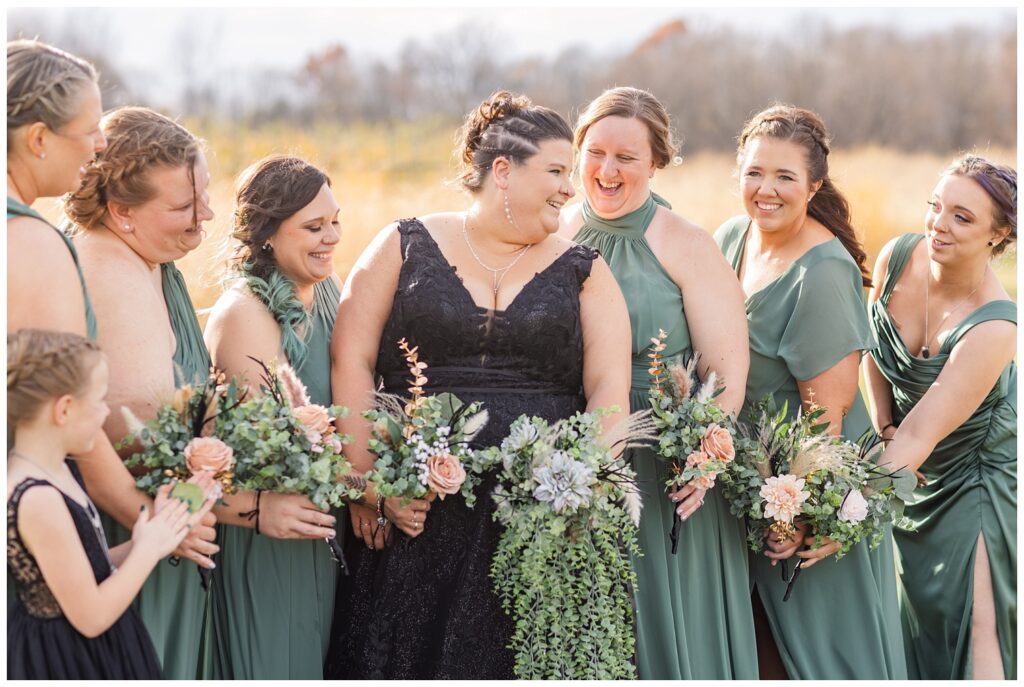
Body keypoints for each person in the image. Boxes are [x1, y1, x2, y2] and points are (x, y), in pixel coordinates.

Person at [325, 90, 630, 679]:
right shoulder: (401, 245)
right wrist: (365, 485)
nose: (571, 188)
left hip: (538, 523)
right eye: (556, 172)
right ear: (503, 171)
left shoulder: (585, 269)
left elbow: (609, 391)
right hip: (417, 512)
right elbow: (352, 361)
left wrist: (578, 497)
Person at [6, 39, 217, 621]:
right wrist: (151, 520)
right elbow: (75, 408)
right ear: (39, 138)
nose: (100, 145)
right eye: (88, 129)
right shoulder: (32, 244)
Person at [561, 86, 755, 680]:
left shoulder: (686, 244)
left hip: (661, 458)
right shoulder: (557, 228)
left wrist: (702, 459)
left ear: (656, 162)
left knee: (666, 636)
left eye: (627, 157)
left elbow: (726, 374)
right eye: (595, 152)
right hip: (572, 451)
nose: (607, 170)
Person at [714, 104, 906, 679]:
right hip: (746, 477)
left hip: (804, 487)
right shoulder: (731, 238)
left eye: (784, 177)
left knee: (813, 656)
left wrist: (800, 512)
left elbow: (827, 416)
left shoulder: (822, 271)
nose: (765, 190)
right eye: (754, 173)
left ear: (814, 185)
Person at [63, 106, 218, 679]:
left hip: (169, 520)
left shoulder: (152, 261)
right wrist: (167, 525)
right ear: (121, 212)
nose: (206, 217)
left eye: (203, 196)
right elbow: (125, 436)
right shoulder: (107, 274)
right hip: (133, 525)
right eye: (183, 207)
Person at [865, 155, 1016, 680]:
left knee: (978, 622)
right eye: (936, 206)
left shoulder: (995, 325)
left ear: (998, 236)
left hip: (977, 475)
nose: (938, 225)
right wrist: (882, 425)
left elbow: (923, 430)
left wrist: (851, 508)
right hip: (906, 462)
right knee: (921, 618)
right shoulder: (896, 257)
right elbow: (874, 352)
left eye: (963, 217)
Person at [203, 155, 344, 678]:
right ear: (267, 235)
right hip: (271, 535)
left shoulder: (327, 287)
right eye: (313, 227)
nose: (331, 237)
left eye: (335, 220)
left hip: (324, 528)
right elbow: (269, 452)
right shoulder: (244, 315)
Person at [7, 329, 211, 679]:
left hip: (95, 644)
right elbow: (91, 616)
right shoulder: (35, 497)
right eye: (100, 401)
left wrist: (156, 535)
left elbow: (85, 569)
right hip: (68, 658)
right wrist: (147, 550)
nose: (106, 413)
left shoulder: (58, 469)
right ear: (65, 408)